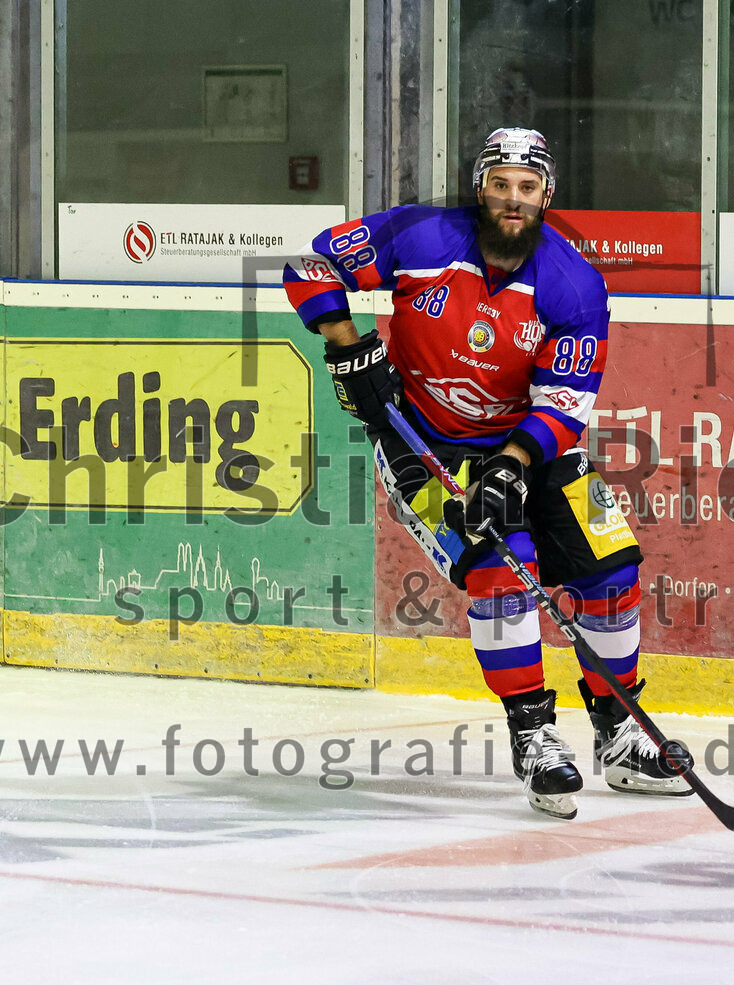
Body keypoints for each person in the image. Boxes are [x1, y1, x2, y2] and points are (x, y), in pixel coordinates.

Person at [283, 127, 691, 819]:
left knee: (613, 566)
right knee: (504, 570)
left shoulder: (574, 284)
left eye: (527, 188)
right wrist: (350, 347)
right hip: (427, 449)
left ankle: (619, 735)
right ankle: (534, 738)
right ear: (481, 187)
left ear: (546, 196)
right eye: (500, 183)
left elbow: (566, 401)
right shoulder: (421, 237)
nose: (513, 199)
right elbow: (309, 263)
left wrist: (511, 463)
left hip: (537, 447)